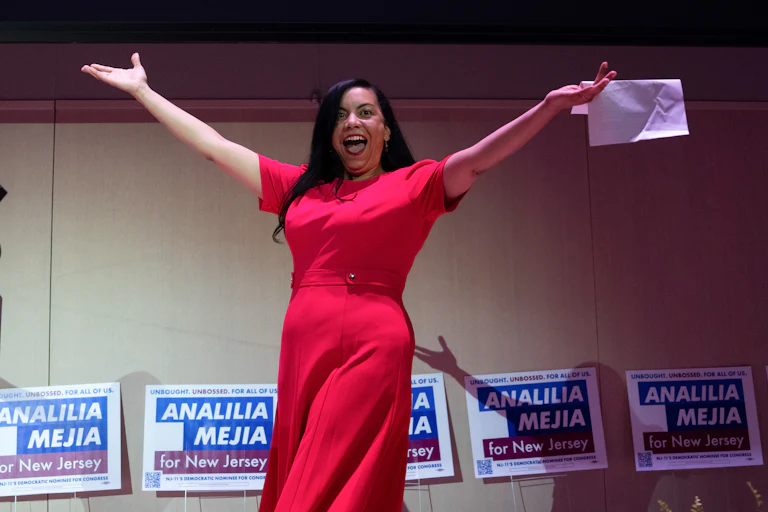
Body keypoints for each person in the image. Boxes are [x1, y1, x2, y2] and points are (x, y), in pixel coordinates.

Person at [82, 54, 616, 511]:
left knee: (329, 481)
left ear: (385, 130)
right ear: (331, 135)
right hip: (304, 343)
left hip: (373, 341)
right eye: (340, 117)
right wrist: (144, 92)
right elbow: (213, 146)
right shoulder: (299, 188)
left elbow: (478, 161)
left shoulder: (416, 184)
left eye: (365, 113)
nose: (351, 122)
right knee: (306, 465)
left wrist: (549, 107)